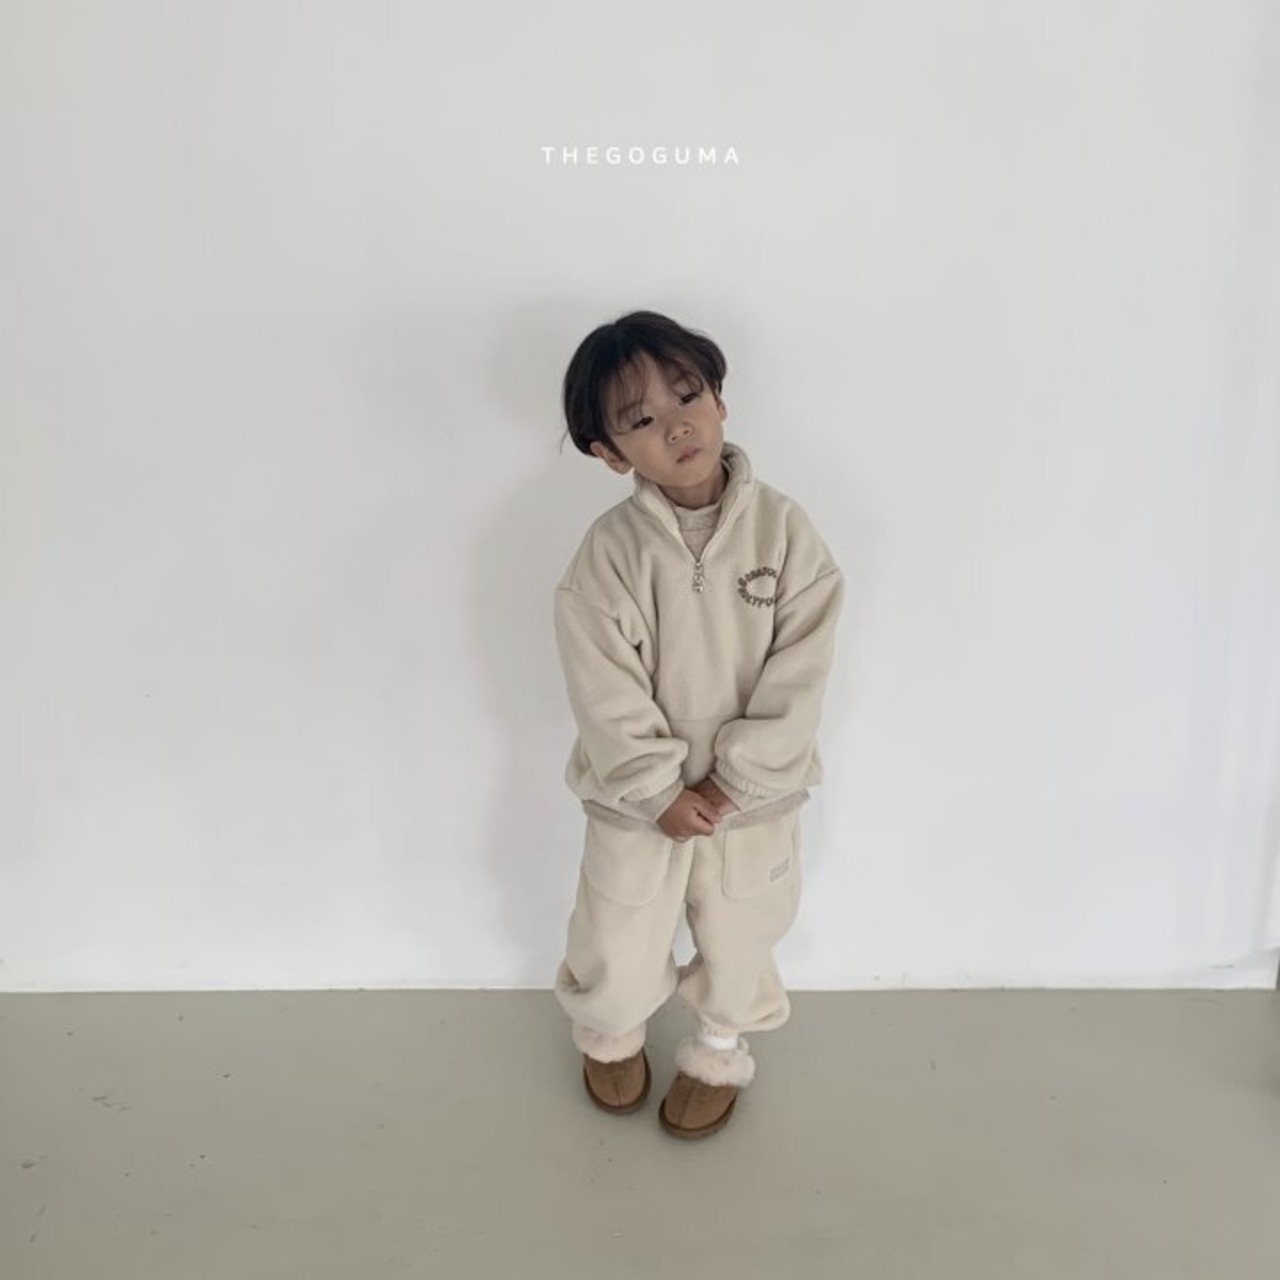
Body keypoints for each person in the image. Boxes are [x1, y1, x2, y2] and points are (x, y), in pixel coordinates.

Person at [552, 310, 844, 1139]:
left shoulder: (786, 533)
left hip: (752, 803)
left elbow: (803, 669)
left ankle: (719, 1049)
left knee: (743, 931)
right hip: (635, 803)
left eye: (687, 396)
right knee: (616, 930)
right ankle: (610, 1034)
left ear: (720, 401)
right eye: (641, 418)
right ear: (610, 454)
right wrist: (656, 790)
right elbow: (601, 686)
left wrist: (735, 782)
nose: (676, 425)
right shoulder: (608, 555)